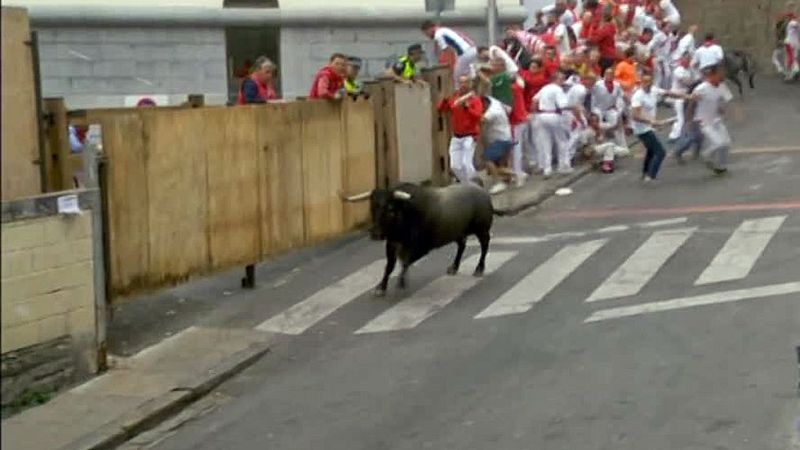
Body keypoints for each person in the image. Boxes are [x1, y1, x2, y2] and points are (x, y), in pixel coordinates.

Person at [630, 72, 687, 182]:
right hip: (641, 129)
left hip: (649, 127)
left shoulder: (654, 90)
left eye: (649, 81)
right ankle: (651, 176)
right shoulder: (638, 96)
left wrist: (685, 96)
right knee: (660, 152)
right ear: (641, 82)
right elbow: (635, 115)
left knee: (651, 150)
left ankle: (646, 173)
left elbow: (668, 93)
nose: (647, 84)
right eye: (645, 82)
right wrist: (651, 121)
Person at [437, 75, 484, 184]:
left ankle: (475, 185)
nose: (463, 85)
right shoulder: (455, 98)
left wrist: (467, 108)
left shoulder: (474, 99)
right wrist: (445, 100)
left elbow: (478, 116)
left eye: (465, 82)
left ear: (470, 84)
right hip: (456, 136)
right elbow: (442, 109)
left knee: (466, 164)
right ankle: (466, 185)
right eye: (461, 82)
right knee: (455, 166)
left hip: (470, 136)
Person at [691, 66, 734, 175]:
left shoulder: (722, 86)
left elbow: (724, 100)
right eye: (720, 74)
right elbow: (692, 104)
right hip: (703, 121)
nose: (722, 76)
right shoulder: (701, 88)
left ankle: (721, 166)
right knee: (718, 143)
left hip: (716, 119)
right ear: (712, 75)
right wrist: (689, 120)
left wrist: (722, 108)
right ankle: (705, 155)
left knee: (726, 143)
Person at [532, 69, 571, 177]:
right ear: (556, 79)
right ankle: (563, 166)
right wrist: (574, 105)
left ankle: (547, 169)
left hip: (541, 115)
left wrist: (535, 112)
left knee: (545, 143)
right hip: (554, 114)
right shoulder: (558, 89)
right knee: (561, 141)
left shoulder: (544, 88)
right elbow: (562, 105)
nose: (563, 81)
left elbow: (534, 100)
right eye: (562, 79)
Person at [481, 96, 516, 194]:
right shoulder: (495, 102)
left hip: (500, 139)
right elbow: (509, 109)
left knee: (488, 160)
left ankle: (499, 182)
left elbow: (481, 120)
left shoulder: (492, 112)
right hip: (506, 136)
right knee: (501, 162)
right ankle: (509, 177)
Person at [592, 67, 628, 151]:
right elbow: (592, 96)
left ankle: (622, 146)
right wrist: (592, 108)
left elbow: (620, 96)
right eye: (607, 74)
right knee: (598, 123)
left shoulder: (617, 84)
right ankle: (598, 145)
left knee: (616, 119)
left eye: (611, 74)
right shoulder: (598, 84)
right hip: (598, 108)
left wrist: (619, 107)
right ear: (604, 75)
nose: (609, 76)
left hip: (609, 108)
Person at [668, 51, 694, 141]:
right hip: (676, 96)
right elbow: (687, 82)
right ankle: (675, 136)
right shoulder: (678, 70)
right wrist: (694, 82)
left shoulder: (689, 70)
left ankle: (676, 133)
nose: (688, 61)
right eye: (686, 59)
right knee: (680, 117)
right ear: (682, 60)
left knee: (680, 116)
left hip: (684, 96)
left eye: (689, 59)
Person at [589, 9, 618, 73]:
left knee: (602, 73)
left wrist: (592, 30)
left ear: (603, 18)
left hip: (606, 55)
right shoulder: (611, 27)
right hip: (611, 54)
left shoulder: (606, 29)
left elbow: (595, 40)